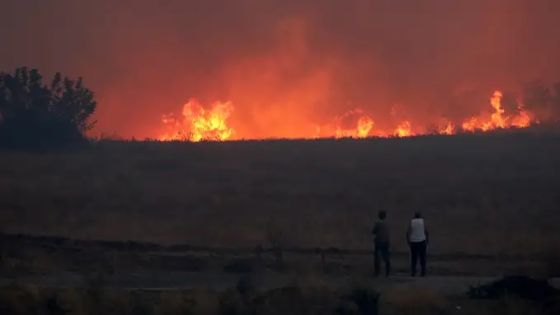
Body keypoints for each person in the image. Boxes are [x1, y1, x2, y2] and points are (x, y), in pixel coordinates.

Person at [407, 211, 429, 276]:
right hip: (422, 241)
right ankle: (423, 272)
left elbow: (408, 232)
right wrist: (427, 241)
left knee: (414, 258)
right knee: (423, 258)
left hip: (413, 241)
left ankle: (413, 272)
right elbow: (426, 232)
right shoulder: (422, 221)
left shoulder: (412, 221)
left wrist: (408, 241)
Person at [372, 210, 390, 277]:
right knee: (386, 257)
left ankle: (377, 272)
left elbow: (373, 231)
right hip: (386, 241)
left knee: (377, 257)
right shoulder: (387, 223)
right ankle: (387, 271)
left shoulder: (378, 223)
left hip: (379, 241)